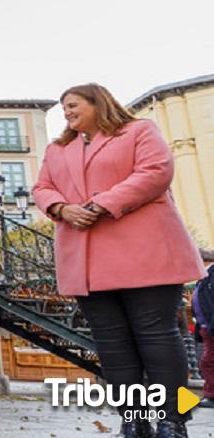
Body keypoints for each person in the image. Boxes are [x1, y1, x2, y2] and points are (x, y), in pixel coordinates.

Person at [33, 83, 205, 438]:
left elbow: (155, 171)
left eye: (73, 104)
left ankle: (172, 419)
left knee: (157, 336)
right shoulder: (58, 149)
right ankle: (133, 418)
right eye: (63, 107)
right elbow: (42, 188)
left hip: (147, 253)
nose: (66, 111)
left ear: (99, 103)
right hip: (86, 260)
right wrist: (61, 208)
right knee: (112, 345)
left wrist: (99, 204)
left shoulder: (139, 131)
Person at [193, 266, 214, 408]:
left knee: (209, 362)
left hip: (210, 326)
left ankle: (211, 395)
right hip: (206, 326)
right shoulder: (207, 271)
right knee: (208, 361)